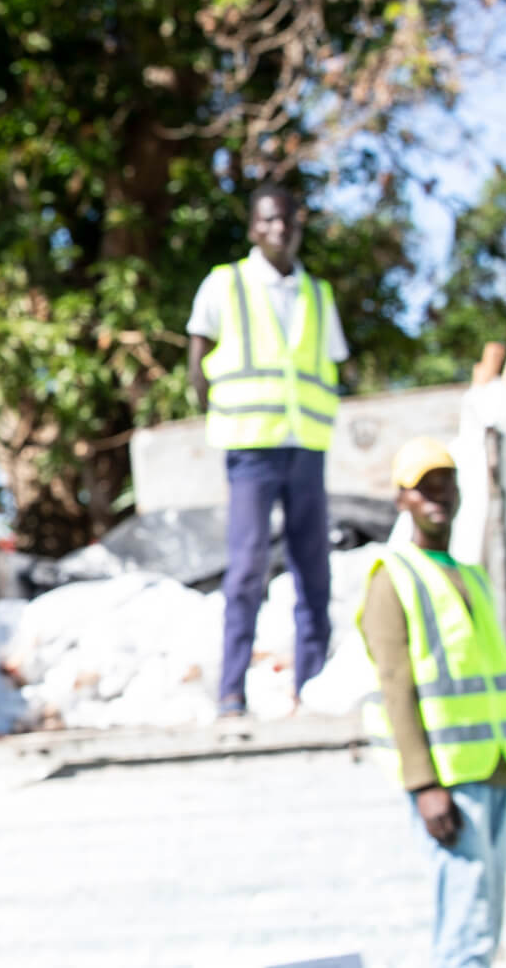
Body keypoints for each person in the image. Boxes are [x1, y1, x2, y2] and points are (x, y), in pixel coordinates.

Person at [355, 437, 506, 966]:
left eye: (446, 486)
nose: (439, 497)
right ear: (402, 500)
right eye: (425, 489)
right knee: (465, 929)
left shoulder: (472, 577)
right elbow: (396, 687)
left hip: (497, 771)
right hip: (451, 779)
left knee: (487, 925)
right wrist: (423, 784)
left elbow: (494, 684)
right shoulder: (392, 579)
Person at [186, 183, 349, 717]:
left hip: (306, 447)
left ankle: (314, 686)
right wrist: (222, 415)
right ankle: (231, 692)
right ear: (254, 227)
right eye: (269, 220)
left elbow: (333, 366)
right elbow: (198, 361)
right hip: (251, 448)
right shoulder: (224, 284)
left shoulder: (318, 296)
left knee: (313, 570)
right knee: (247, 568)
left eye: (288, 219)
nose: (280, 228)